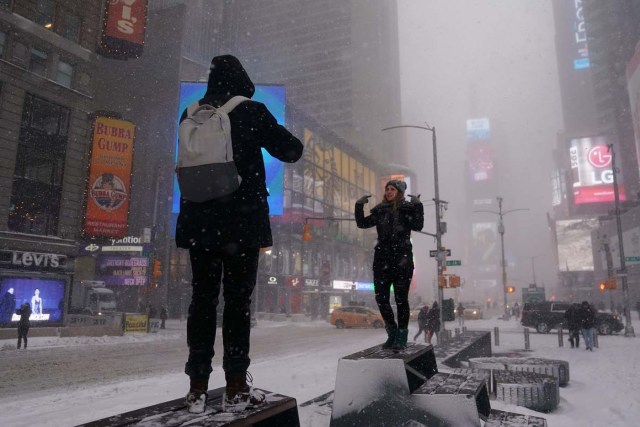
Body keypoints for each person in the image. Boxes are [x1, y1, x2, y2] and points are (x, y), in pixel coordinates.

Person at [175, 54, 303, 414]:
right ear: (241, 78)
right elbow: (291, 150)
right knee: (237, 303)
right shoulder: (252, 110)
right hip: (241, 223)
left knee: (202, 301)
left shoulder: (191, 112)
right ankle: (235, 386)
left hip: (199, 220)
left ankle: (197, 387)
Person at [355, 180, 424, 350]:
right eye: (387, 189)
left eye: (392, 189)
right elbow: (362, 223)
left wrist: (418, 206)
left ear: (399, 192)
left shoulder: (407, 209)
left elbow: (418, 225)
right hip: (382, 260)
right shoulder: (380, 210)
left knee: (401, 300)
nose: (389, 192)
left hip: (402, 260)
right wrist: (358, 206)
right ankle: (392, 332)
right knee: (381, 298)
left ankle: (401, 335)